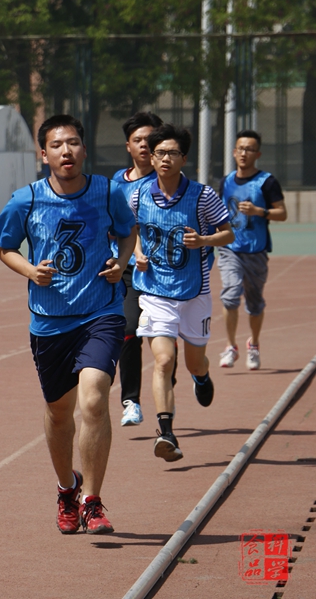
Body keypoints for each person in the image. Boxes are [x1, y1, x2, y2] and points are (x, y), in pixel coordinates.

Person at [0, 115, 137, 535]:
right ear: (44, 154)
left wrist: (121, 262)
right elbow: (6, 248)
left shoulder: (108, 192)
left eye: (73, 143)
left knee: (94, 399)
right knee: (59, 415)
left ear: (84, 149)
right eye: (56, 145)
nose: (66, 151)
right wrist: (30, 271)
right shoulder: (25, 200)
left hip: (101, 312)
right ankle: (67, 488)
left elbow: (128, 232)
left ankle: (92, 500)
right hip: (50, 322)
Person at [131, 124, 234, 462]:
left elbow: (228, 233)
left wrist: (204, 240)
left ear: (184, 158)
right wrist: (136, 253)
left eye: (172, 153)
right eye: (159, 152)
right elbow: (129, 230)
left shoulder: (203, 196)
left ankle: (201, 376)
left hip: (194, 294)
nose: (165, 159)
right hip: (154, 292)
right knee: (163, 360)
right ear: (151, 157)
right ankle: (166, 433)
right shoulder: (138, 195)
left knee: (193, 362)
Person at [218, 130, 287, 370]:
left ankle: (254, 344)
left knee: (255, 303)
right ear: (234, 152)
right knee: (230, 295)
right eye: (240, 148)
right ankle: (230, 346)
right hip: (230, 248)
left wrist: (260, 211)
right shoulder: (226, 181)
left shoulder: (266, 182)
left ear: (257, 154)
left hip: (256, 251)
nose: (244, 153)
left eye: (249, 149)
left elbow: (282, 213)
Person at [112, 112, 163, 427]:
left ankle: (171, 380)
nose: (144, 145)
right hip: (129, 271)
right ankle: (131, 400)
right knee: (128, 330)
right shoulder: (117, 182)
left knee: (162, 339)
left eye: (150, 139)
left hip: (163, 272)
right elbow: (116, 224)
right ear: (128, 146)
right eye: (138, 140)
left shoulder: (167, 181)